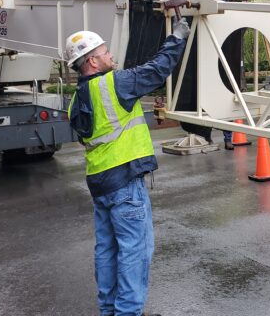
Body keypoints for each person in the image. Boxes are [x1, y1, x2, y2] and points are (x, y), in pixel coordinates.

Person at [65, 18, 189, 316]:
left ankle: (109, 310)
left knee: (107, 250)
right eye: (105, 52)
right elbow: (158, 69)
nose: (111, 56)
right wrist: (179, 36)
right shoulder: (114, 83)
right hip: (124, 184)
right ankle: (128, 313)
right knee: (135, 250)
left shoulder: (75, 100)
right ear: (92, 60)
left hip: (99, 183)